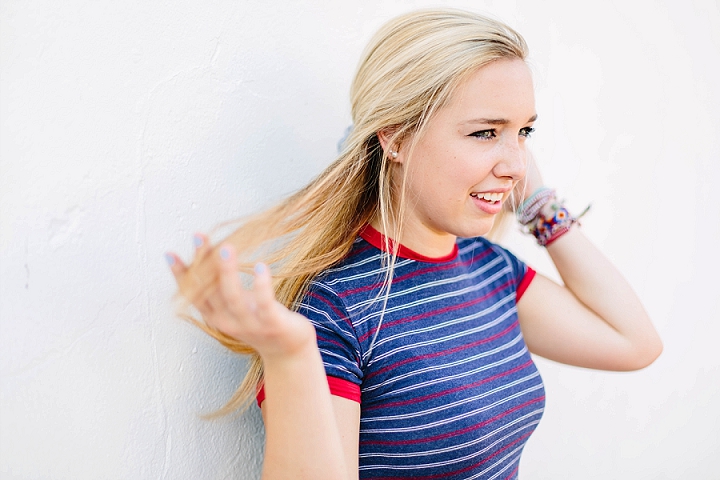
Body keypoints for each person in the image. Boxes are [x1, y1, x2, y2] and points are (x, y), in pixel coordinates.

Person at [166, 8, 662, 480]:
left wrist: (537, 203)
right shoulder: (334, 310)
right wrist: (291, 357)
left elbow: (634, 344)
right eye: (486, 132)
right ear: (397, 137)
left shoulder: (487, 267)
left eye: (523, 131)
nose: (515, 162)